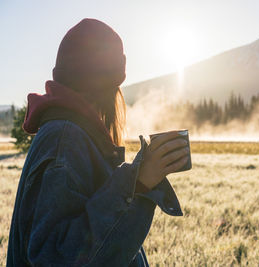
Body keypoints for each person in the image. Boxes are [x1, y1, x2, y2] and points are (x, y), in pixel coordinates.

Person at [7, 18, 189, 266]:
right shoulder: (65, 139)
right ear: (106, 86)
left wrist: (138, 182)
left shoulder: (68, 134)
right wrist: (138, 184)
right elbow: (57, 258)